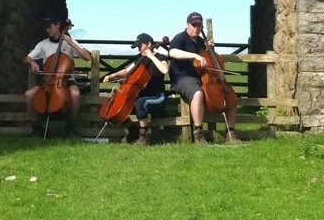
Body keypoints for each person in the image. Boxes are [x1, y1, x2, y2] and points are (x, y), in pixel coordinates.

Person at [167, 11, 239, 144]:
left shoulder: (200, 41)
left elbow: (208, 61)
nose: (196, 28)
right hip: (183, 78)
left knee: (231, 97)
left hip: (201, 77)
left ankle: (231, 133)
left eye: (198, 26)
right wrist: (195, 55)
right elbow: (172, 52)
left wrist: (209, 49)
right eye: (193, 25)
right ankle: (198, 134)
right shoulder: (180, 37)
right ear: (187, 24)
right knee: (198, 93)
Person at [101, 34, 170, 144]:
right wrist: (112, 76)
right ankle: (133, 130)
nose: (138, 49)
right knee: (116, 108)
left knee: (139, 103)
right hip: (141, 95)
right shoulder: (140, 59)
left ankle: (143, 137)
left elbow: (165, 70)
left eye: (140, 46)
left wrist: (151, 56)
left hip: (157, 96)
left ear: (148, 44)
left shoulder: (160, 57)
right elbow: (127, 71)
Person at [24, 16, 91, 122]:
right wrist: (32, 63)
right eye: (46, 28)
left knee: (75, 94)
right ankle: (35, 123)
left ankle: (71, 122)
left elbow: (88, 57)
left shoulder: (69, 42)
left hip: (67, 79)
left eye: (49, 27)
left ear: (58, 25)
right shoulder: (43, 44)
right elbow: (27, 58)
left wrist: (72, 43)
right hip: (47, 79)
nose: (47, 30)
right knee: (28, 94)